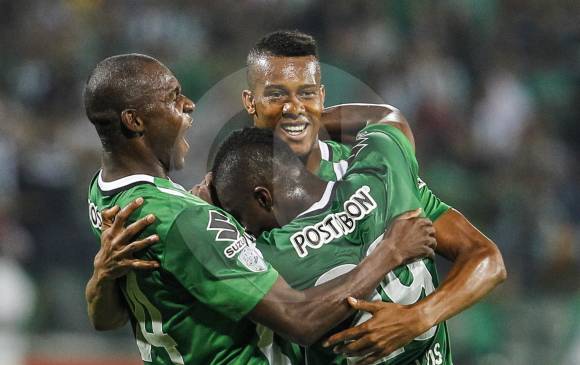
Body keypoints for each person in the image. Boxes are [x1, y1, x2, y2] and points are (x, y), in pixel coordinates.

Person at [84, 53, 437, 365]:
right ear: (134, 120)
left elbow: (108, 319)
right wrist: (390, 252)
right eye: (173, 97)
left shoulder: (104, 196)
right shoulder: (187, 220)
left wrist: (100, 279)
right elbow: (300, 319)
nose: (189, 104)